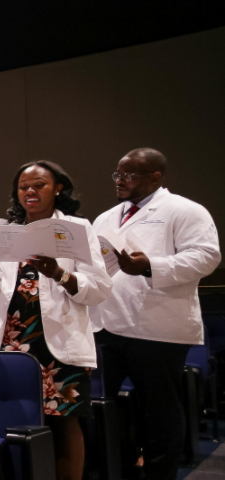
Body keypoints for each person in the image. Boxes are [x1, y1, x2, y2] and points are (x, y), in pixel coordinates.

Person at [0, 161, 111, 480]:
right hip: (14, 339)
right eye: (24, 187)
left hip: (59, 341)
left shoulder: (78, 229)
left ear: (58, 188)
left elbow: (100, 287)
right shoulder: (9, 231)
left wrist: (59, 274)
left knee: (65, 419)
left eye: (39, 185)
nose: (30, 191)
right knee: (19, 419)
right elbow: (0, 293)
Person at [89, 148, 220, 480]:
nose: (120, 181)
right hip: (107, 325)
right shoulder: (106, 216)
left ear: (155, 177)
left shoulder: (185, 210)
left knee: (159, 411)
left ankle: (161, 474)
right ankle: (113, 468)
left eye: (129, 175)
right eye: (117, 174)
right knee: (100, 407)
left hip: (157, 329)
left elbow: (206, 257)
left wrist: (151, 266)